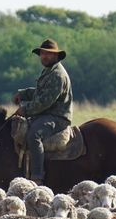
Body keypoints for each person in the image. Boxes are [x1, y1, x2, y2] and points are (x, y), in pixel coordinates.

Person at [13, 39, 73, 184]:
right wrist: (24, 93)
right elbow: (41, 92)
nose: (44, 56)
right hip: (46, 114)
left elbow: (45, 101)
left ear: (56, 56)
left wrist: (25, 109)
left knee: (34, 135)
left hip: (57, 117)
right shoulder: (49, 71)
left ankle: (37, 176)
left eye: (48, 54)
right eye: (42, 53)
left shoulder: (58, 75)